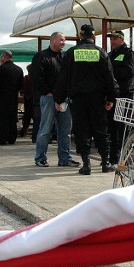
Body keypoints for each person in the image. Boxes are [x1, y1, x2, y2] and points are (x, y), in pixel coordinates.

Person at [54, 24, 118, 175]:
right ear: (93, 37)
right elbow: (109, 77)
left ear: (81, 36)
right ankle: (105, 163)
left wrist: (59, 99)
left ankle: (86, 164)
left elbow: (63, 79)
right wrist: (110, 98)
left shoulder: (71, 53)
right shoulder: (101, 52)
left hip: (78, 99)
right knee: (101, 130)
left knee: (81, 130)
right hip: (97, 98)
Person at [32, 31, 79, 168]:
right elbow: (36, 78)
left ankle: (65, 158)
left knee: (65, 130)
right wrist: (48, 93)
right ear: (52, 41)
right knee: (45, 129)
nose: (63, 43)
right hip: (49, 99)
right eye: (61, 40)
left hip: (64, 99)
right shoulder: (41, 57)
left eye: (64, 40)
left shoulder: (65, 57)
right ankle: (40, 157)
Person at [106, 30, 134, 164]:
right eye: (111, 39)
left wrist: (111, 71)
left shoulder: (129, 54)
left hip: (124, 94)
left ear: (122, 39)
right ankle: (113, 157)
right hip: (112, 95)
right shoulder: (109, 54)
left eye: (115, 39)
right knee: (112, 127)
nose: (112, 41)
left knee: (122, 127)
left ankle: (123, 156)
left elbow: (129, 71)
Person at [0, 50, 23, 145]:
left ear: (4, 57)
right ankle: (12, 138)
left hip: (1, 98)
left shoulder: (0, 69)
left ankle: (2, 139)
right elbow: (21, 85)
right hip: (13, 98)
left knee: (1, 119)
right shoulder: (19, 69)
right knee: (12, 118)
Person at [19, 64, 34, 138]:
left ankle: (24, 131)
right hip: (35, 100)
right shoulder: (36, 78)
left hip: (28, 100)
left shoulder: (26, 78)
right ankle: (34, 132)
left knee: (27, 117)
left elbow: (22, 89)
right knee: (36, 117)